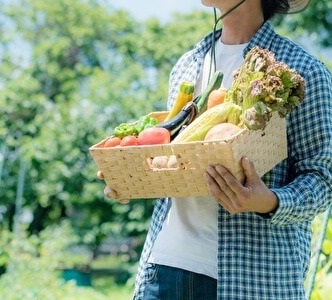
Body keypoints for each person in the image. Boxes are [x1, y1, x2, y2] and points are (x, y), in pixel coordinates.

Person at [100, 0, 332, 299]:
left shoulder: (302, 71)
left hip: (253, 280)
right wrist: (130, 176)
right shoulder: (187, 64)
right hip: (164, 268)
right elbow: (174, 162)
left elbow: (322, 179)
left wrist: (267, 201)